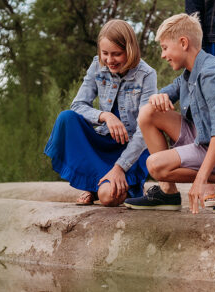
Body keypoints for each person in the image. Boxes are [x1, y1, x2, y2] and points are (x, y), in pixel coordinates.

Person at [124, 13, 215, 214]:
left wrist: (201, 178)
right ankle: (167, 193)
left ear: (183, 43)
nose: (163, 55)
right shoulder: (189, 73)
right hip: (202, 138)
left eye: (165, 48)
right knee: (148, 112)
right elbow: (168, 91)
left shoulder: (212, 74)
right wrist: (157, 97)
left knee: (155, 166)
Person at [45, 19, 157, 207]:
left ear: (130, 50)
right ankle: (93, 184)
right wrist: (105, 116)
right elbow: (78, 105)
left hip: (130, 150)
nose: (109, 60)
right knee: (66, 118)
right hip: (102, 143)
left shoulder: (146, 75)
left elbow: (144, 132)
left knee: (108, 198)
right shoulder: (97, 65)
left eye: (117, 54)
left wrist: (120, 167)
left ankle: (122, 185)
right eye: (105, 53)